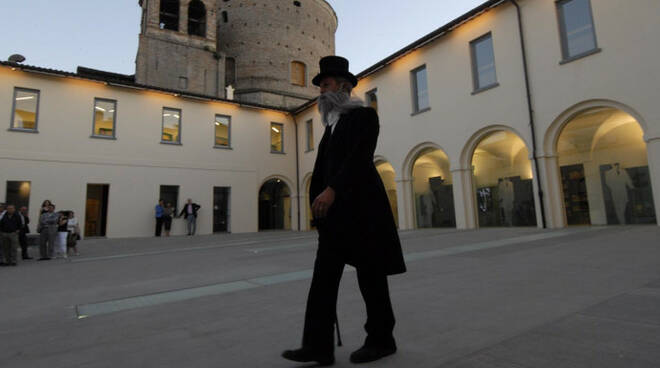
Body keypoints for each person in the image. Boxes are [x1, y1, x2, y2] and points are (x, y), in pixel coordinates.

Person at [282, 56, 406, 366]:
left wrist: (332, 190)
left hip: (363, 213)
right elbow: (323, 169)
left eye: (325, 85)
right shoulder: (330, 127)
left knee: (371, 278)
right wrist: (318, 205)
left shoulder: (364, 117)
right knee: (322, 280)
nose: (320, 92)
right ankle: (317, 346)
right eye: (320, 87)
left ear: (344, 87)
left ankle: (381, 340)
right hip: (335, 219)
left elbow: (359, 159)